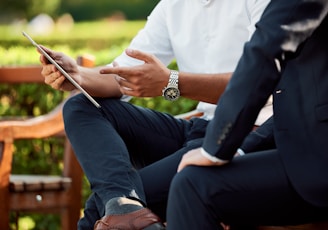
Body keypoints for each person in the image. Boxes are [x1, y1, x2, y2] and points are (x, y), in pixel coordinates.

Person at [39, 0, 271, 229]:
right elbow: (122, 75)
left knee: (98, 211)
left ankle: (123, 207)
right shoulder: (173, 6)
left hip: (247, 134)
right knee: (81, 106)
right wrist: (77, 75)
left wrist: (172, 82)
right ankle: (124, 205)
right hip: (198, 129)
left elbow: (257, 83)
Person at [165, 0, 328, 229]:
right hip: (291, 147)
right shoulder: (171, 7)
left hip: (315, 161)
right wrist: (240, 148)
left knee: (192, 184)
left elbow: (264, 53)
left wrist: (215, 149)